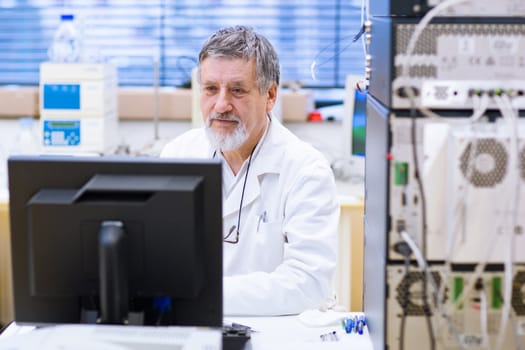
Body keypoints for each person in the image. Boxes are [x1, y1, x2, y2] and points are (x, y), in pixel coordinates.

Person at [160, 25, 339, 316]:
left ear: (270, 96)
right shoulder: (177, 155)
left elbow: (307, 284)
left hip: (278, 332)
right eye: (210, 89)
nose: (221, 104)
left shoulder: (306, 170)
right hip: (193, 326)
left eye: (237, 90)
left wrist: (202, 293)